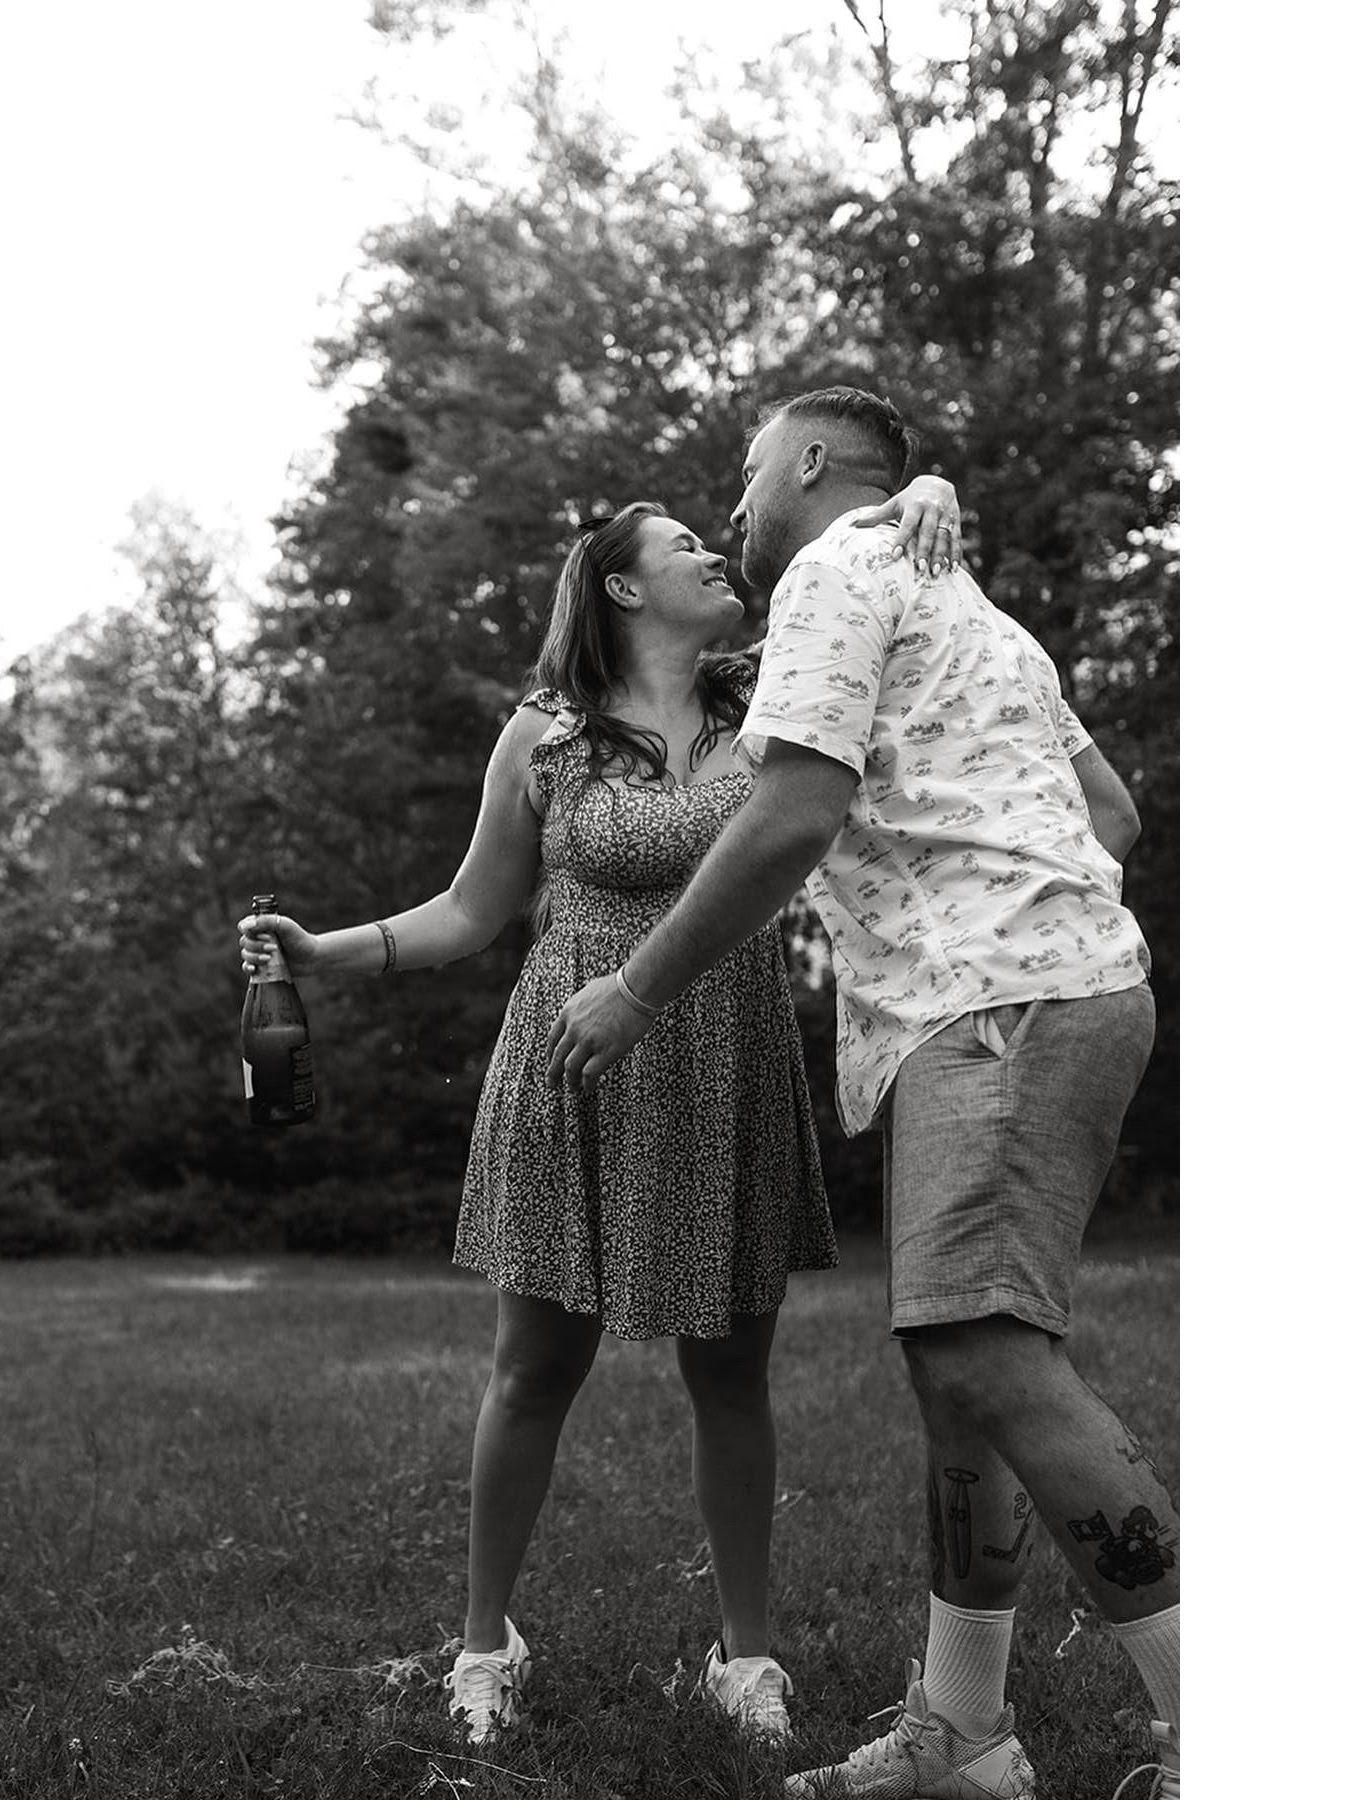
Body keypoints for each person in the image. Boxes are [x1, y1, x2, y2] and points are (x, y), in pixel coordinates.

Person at [235, 471, 963, 1748]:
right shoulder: (546, 734)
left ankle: (747, 1660)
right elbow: (471, 911)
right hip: (572, 1060)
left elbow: (888, 575)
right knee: (534, 1368)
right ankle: (484, 1645)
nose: (716, 553)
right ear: (623, 586)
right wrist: (321, 952)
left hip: (727, 1056)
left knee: (731, 1373)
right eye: (685, 546)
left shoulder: (774, 700)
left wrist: (926, 488)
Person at [546, 386, 1178, 1799]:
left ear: (812, 463)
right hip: (1046, 993)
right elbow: (1115, 817)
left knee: (985, 1356)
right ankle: (963, 1734)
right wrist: (1035, 902)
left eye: (748, 469)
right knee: (959, 1374)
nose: (735, 503)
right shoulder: (980, 615)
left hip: (992, 1007)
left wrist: (636, 989)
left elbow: (793, 811)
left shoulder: (835, 571)